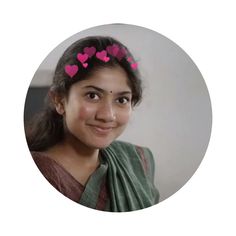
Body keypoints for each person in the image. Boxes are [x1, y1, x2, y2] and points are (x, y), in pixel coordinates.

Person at [25, 36, 159, 212]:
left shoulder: (139, 161)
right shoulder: (42, 173)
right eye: (92, 96)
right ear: (59, 100)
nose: (107, 115)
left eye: (122, 99)